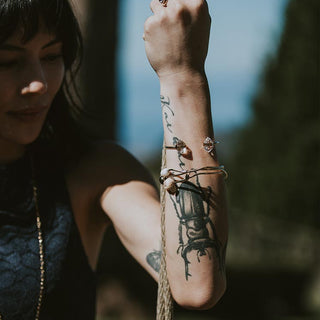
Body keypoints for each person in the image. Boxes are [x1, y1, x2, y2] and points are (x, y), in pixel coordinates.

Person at [0, 0, 228, 319]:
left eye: (51, 55)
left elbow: (198, 285)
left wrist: (182, 77)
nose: (38, 82)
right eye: (8, 62)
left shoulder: (98, 174)